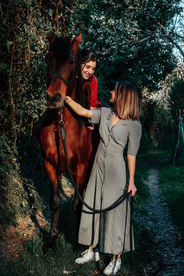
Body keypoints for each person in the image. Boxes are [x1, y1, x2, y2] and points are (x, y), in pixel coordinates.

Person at [65, 81, 142, 275]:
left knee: (116, 215)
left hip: (117, 172)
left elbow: (131, 155)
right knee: (91, 205)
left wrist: (131, 182)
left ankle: (116, 258)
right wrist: (66, 98)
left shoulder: (134, 125)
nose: (111, 92)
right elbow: (84, 112)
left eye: (115, 90)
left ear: (123, 96)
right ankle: (92, 250)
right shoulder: (106, 113)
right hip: (97, 168)